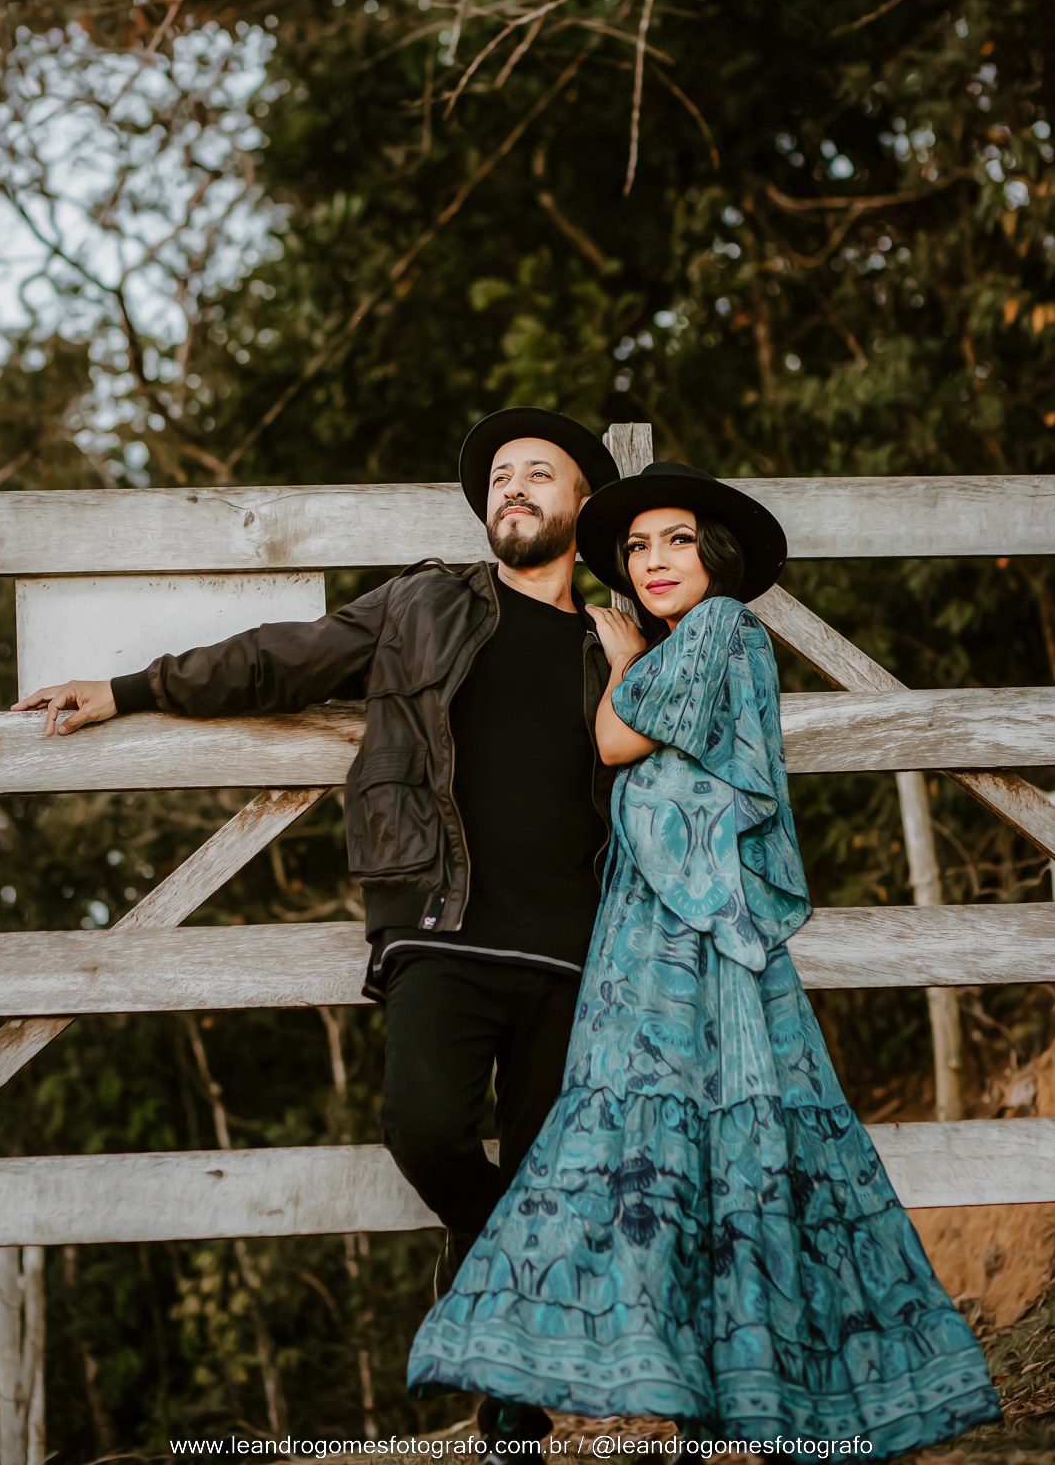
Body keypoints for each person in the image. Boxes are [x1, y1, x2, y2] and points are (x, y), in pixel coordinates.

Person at [11, 409, 622, 1443]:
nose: (513, 487)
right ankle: (500, 1260)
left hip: (576, 947)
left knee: (541, 1168)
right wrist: (129, 688)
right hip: (441, 924)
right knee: (424, 1130)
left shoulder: (613, 641)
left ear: (581, 504)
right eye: (500, 477)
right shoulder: (422, 603)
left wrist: (637, 656)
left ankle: (512, 1419)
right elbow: (275, 659)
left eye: (538, 473)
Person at [407, 461, 1000, 1458]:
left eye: (674, 540)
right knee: (687, 1148)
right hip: (655, 924)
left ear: (714, 555)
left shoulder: (719, 627)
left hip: (698, 931)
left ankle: (711, 1396)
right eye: (637, 548)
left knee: (664, 1139)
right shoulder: (692, 644)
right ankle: (675, 1396)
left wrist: (617, 652)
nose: (652, 561)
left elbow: (610, 740)